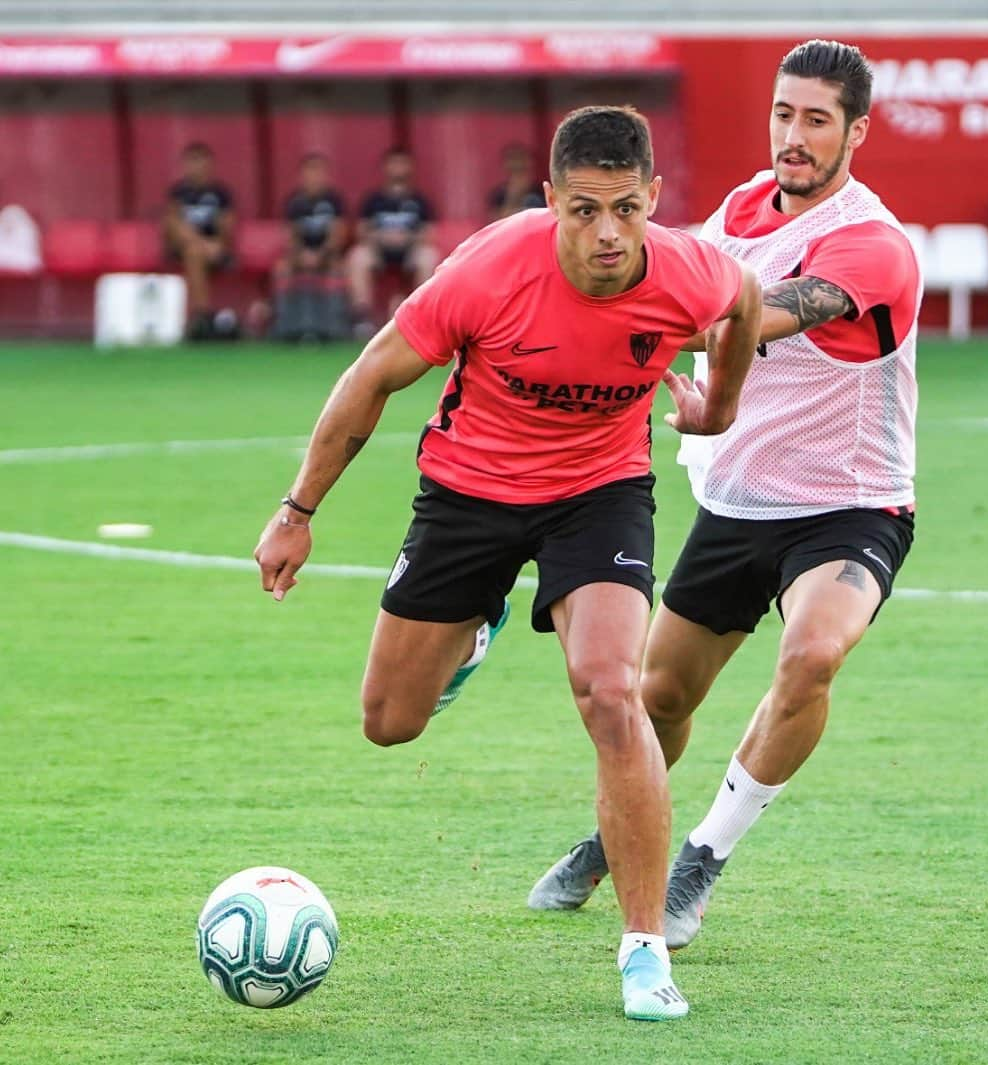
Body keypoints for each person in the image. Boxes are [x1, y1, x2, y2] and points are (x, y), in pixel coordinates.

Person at [255, 105, 762, 1020]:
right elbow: (371, 375)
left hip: (599, 492)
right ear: (549, 201)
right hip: (468, 493)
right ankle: (477, 629)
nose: (606, 232)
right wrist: (297, 511)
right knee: (388, 722)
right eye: (581, 210)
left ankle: (644, 950)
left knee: (612, 691)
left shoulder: (689, 271)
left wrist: (719, 408)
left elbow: (744, 302)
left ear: (652, 197)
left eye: (624, 208)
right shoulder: (488, 269)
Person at [528, 40, 922, 952]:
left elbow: (744, 314)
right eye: (783, 113)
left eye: (816, 119)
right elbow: (664, 281)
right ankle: (622, 836)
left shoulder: (873, 244)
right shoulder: (738, 210)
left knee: (813, 653)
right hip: (736, 505)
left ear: (855, 132)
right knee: (654, 701)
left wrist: (664, 335)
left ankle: (702, 854)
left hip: (848, 505)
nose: (793, 134)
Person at [347, 148, 440, 331]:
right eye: (393, 164)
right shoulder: (374, 200)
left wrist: (407, 237)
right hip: (379, 250)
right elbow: (361, 231)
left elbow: (429, 233)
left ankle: (422, 316)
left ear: (410, 168)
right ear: (385, 168)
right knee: (358, 256)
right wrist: (381, 237)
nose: (398, 169)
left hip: (410, 251)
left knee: (428, 256)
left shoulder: (419, 200)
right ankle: (362, 318)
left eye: (402, 164)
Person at [273, 152, 350, 342]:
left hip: (328, 255)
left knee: (338, 269)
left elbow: (337, 234)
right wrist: (302, 254)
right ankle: (285, 326)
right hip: (300, 255)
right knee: (282, 268)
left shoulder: (334, 201)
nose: (314, 177)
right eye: (310, 172)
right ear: (302, 175)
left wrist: (320, 254)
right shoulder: (294, 202)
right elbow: (290, 236)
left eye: (318, 172)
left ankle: (334, 327)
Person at [162, 142, 235, 340]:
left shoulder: (220, 194)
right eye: (191, 161)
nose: (196, 167)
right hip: (185, 248)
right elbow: (172, 225)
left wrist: (217, 244)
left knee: (196, 252)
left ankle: (202, 318)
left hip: (215, 250)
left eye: (201, 161)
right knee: (193, 251)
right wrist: (202, 244)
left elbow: (227, 227)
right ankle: (203, 315)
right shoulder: (178, 192)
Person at [487, 143, 547, 221]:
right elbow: (497, 222)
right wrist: (514, 195)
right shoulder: (498, 195)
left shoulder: (542, 190)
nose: (517, 163)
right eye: (513, 159)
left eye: (520, 158)